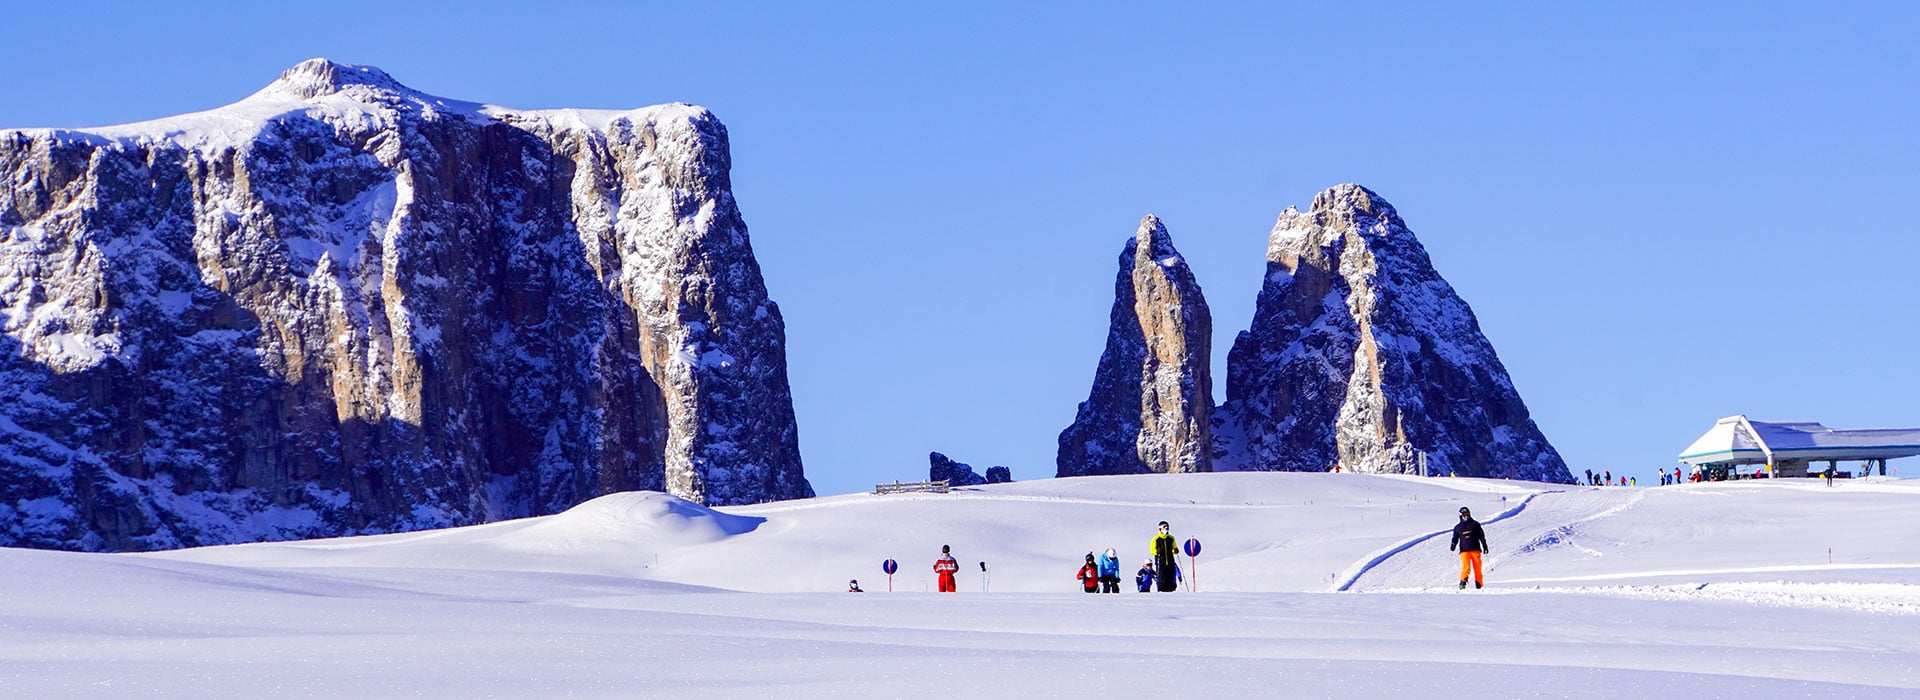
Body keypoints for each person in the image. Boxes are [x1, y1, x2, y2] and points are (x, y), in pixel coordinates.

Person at [1450, 506, 1488, 590]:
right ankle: (1463, 581)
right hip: (1464, 550)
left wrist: (1484, 546)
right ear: (1460, 515)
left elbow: (1481, 536)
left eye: (1467, 513)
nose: (1466, 516)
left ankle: (1479, 584)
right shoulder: (1458, 527)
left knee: (1477, 567)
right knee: (1466, 566)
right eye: (1464, 514)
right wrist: (1453, 544)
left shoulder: (1475, 524)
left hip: (1475, 549)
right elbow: (1455, 537)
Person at [1150, 521, 1180, 592]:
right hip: (1160, 561)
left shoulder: (1171, 538)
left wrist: (1175, 550)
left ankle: (1171, 590)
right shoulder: (1156, 539)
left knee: (1171, 578)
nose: (1166, 528)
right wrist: (1157, 551)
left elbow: (1174, 547)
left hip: (1170, 561)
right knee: (1162, 579)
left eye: (1167, 527)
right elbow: (1152, 550)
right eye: (1164, 527)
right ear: (1160, 528)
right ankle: (1161, 592)